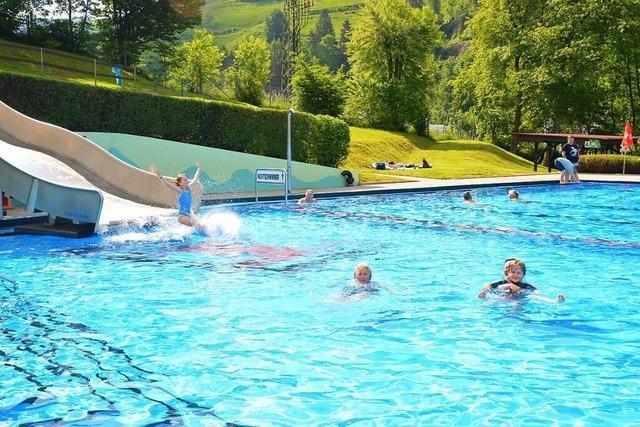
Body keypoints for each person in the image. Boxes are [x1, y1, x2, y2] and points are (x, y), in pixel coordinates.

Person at [477, 258, 565, 302]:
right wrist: (486, 289)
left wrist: (537, 292)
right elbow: (489, 285)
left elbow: (536, 291)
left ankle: (554, 301)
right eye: (513, 272)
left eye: (519, 273)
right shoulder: (501, 283)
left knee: (532, 299)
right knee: (491, 302)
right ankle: (483, 299)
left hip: (518, 299)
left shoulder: (525, 286)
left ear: (523, 275)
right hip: (502, 297)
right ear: (507, 273)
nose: (516, 275)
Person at [151, 163, 203, 229]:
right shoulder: (180, 190)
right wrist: (159, 176)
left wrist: (199, 169)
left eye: (186, 179)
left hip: (189, 215)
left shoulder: (189, 188)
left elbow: (195, 179)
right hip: (182, 216)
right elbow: (168, 184)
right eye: (185, 180)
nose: (187, 181)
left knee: (202, 225)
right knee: (198, 225)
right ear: (180, 183)